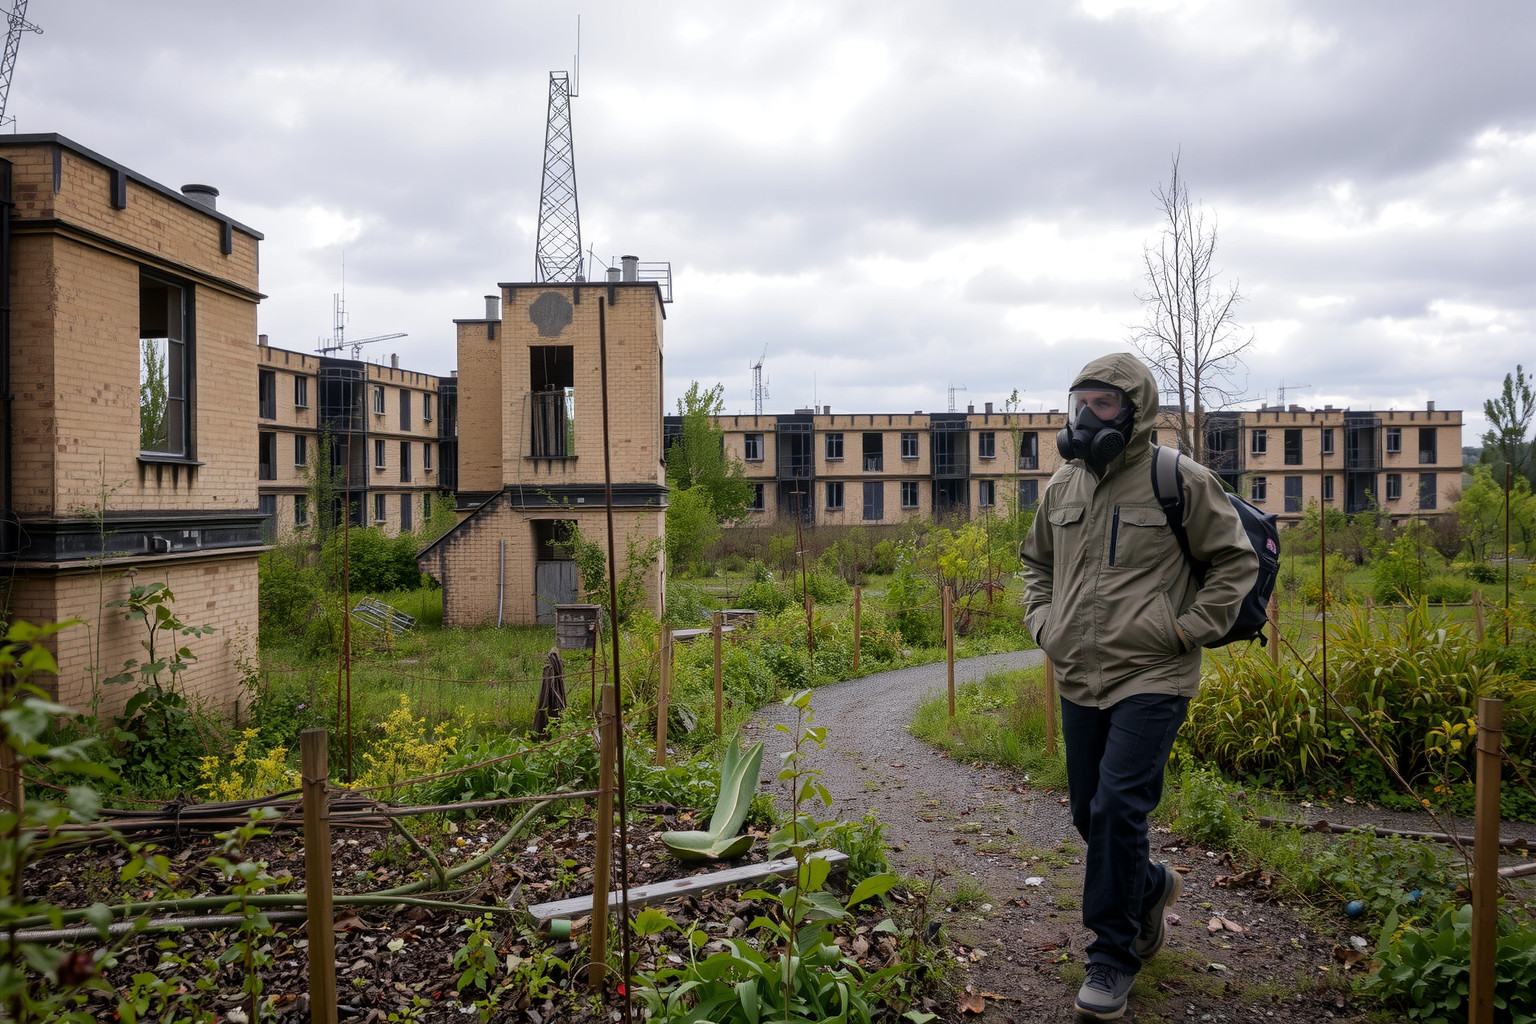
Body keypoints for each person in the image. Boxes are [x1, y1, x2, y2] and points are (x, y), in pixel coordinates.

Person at [1021, 352, 1258, 1021]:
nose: (1085, 415)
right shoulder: (1061, 487)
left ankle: (1112, 954)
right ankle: (1149, 888)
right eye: (1080, 403)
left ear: (1134, 408)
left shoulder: (1176, 478)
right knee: (1085, 814)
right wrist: (1046, 626)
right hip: (1078, 673)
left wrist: (1186, 631)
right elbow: (1035, 565)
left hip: (1154, 673)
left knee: (1118, 809)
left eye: (1101, 404)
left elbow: (1234, 560)